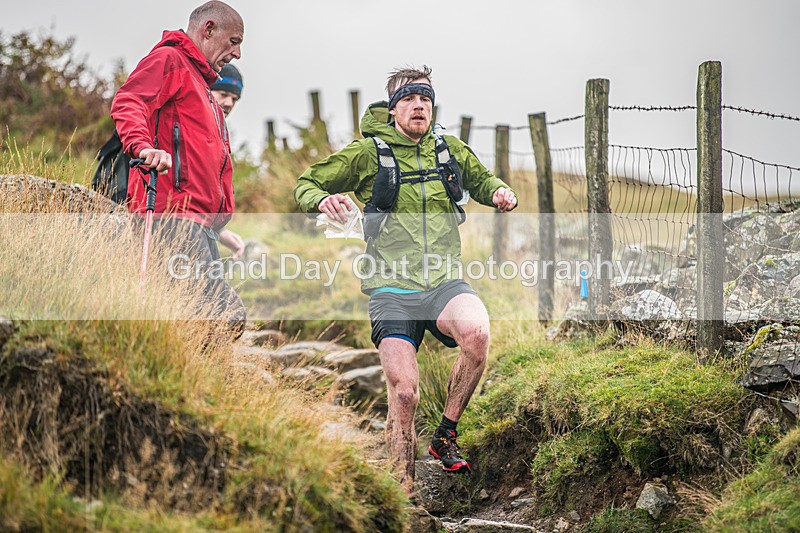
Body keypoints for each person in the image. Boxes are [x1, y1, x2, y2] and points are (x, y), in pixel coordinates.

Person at [294, 66, 517, 495]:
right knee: (404, 395)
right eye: (410, 98)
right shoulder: (368, 153)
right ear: (392, 108)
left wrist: (500, 193)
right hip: (391, 290)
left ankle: (445, 435)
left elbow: (483, 180)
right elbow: (307, 183)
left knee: (477, 335)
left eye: (426, 98)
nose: (419, 106)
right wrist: (322, 199)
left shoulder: (448, 149)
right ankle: (404, 492)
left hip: (443, 282)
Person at [111, 0, 246, 332]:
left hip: (199, 225)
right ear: (208, 29)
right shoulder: (170, 60)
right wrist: (143, 146)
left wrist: (218, 228)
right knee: (219, 316)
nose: (238, 53)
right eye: (234, 41)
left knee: (219, 320)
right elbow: (129, 100)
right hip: (173, 217)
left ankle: (181, 361)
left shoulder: (203, 84)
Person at [211, 63, 245, 259]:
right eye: (223, 94)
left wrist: (219, 231)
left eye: (235, 99)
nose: (230, 103)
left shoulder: (219, 134)